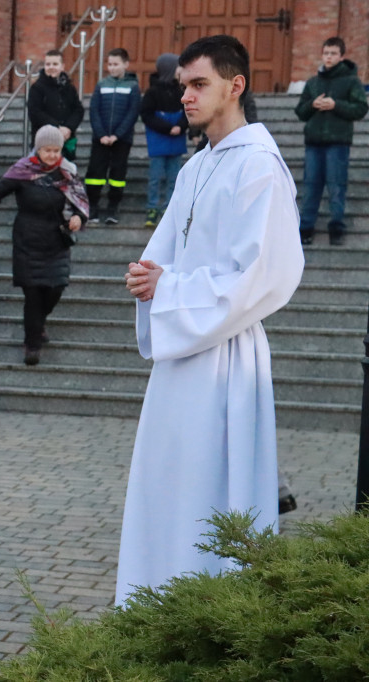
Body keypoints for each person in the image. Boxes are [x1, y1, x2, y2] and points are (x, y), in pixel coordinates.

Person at [117, 36, 305, 606]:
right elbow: (165, 250)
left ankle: (216, 605)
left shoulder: (259, 167)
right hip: (181, 351)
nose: (188, 97)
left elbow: (264, 275)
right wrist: (149, 278)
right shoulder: (197, 165)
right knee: (168, 481)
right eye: (184, 87)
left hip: (227, 352)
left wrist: (168, 287)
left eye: (199, 85)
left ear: (235, 85)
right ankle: (158, 596)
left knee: (214, 484)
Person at [0, 125, 88, 366]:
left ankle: (37, 325)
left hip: (57, 240)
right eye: (47, 150)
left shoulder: (67, 171)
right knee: (34, 295)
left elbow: (81, 201)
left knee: (56, 289)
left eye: (56, 150)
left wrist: (80, 217)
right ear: (37, 149)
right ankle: (32, 344)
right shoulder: (22, 170)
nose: (52, 155)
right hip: (27, 241)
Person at [295, 36, 368, 246]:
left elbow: (361, 108)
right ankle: (306, 228)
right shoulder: (313, 82)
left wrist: (336, 105)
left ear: (341, 56)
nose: (329, 57)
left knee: (337, 186)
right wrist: (313, 104)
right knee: (311, 186)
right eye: (326, 53)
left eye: (333, 53)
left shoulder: (351, 81)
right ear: (322, 54)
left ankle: (336, 227)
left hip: (338, 142)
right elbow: (300, 111)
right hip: (314, 143)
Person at [84, 48, 140, 225]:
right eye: (110, 64)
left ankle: (112, 208)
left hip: (121, 140)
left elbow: (132, 114)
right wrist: (101, 134)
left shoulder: (133, 87)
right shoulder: (101, 85)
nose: (112, 68)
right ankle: (92, 207)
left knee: (117, 175)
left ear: (125, 64)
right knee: (95, 173)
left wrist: (117, 135)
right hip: (100, 139)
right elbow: (94, 111)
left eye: (116, 64)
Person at [140, 53, 188, 227]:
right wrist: (168, 127)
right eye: (178, 66)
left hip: (176, 139)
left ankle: (170, 208)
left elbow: (187, 111)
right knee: (156, 176)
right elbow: (146, 114)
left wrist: (181, 126)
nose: (181, 70)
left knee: (174, 177)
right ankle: (152, 208)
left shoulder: (181, 90)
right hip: (159, 139)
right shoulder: (153, 92)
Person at [27, 50, 85, 161]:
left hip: (66, 140)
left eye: (55, 64)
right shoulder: (37, 88)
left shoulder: (69, 88)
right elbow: (35, 112)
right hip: (44, 141)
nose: (51, 67)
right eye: (48, 64)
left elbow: (78, 110)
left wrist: (68, 127)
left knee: (66, 173)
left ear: (62, 66)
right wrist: (57, 128)